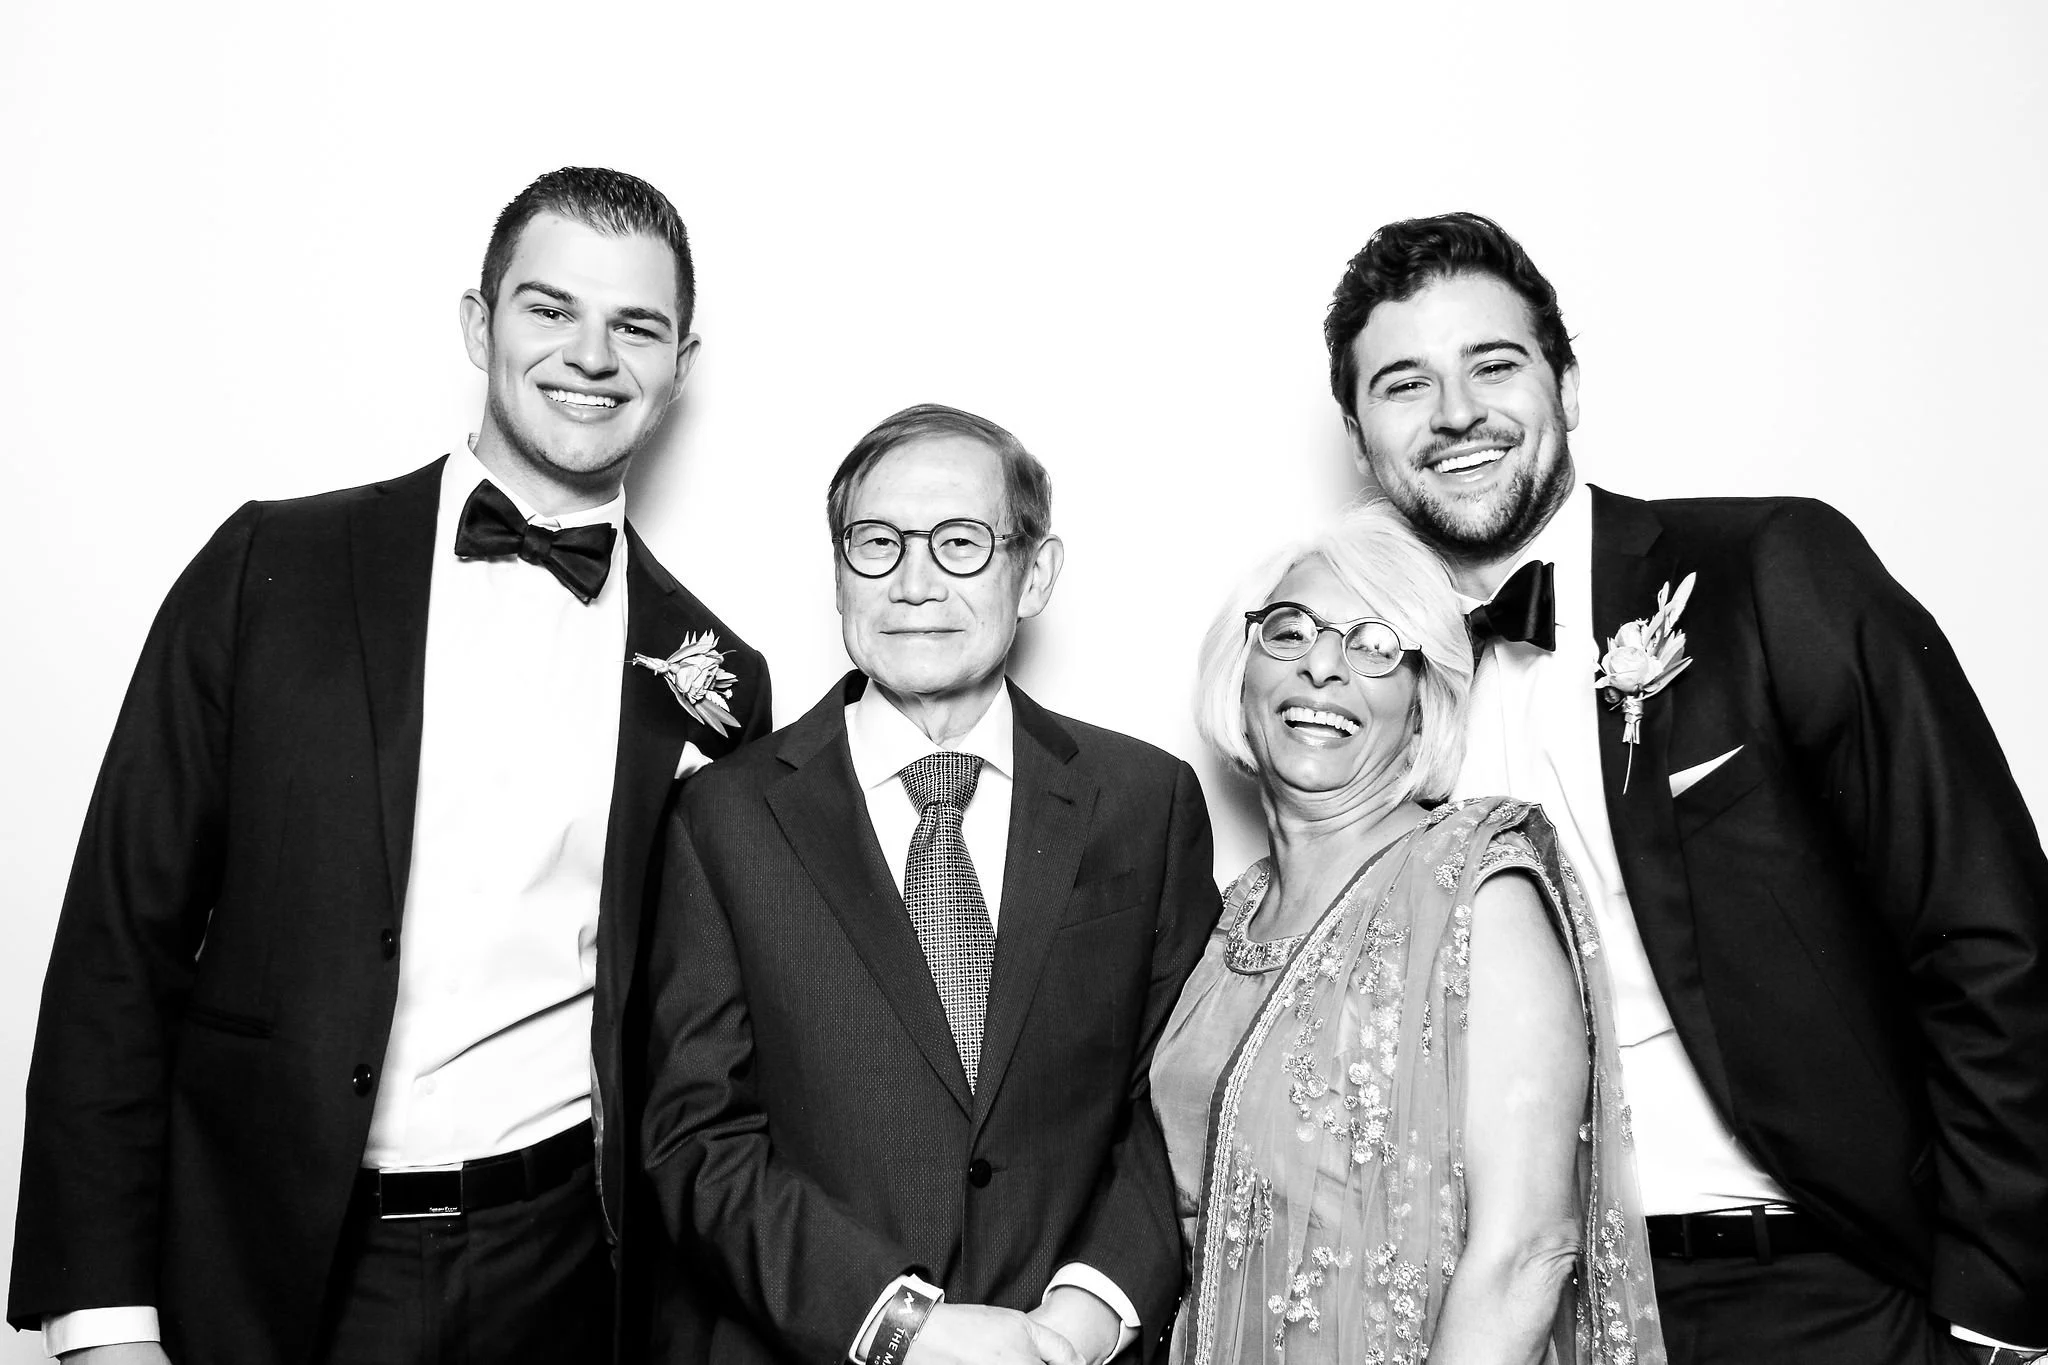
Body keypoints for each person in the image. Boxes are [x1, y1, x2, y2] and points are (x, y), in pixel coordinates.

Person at [8, 167, 772, 1365]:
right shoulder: (273, 566)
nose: (591, 354)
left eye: (635, 325)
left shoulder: (715, 670)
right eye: (548, 308)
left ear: (679, 363)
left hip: (563, 1278)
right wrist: (102, 1320)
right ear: (478, 323)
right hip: (261, 1266)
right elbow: (119, 945)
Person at [1322, 211, 2048, 1363]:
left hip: (1798, 1292)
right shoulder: (1350, 684)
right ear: (1360, 438)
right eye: (1403, 383)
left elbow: (1984, 932)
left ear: (1564, 386)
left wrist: (1994, 1314)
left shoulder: (1766, 572)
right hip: (1499, 1318)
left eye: (1492, 365)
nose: (1454, 412)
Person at [639, 403, 1220, 1365]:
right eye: (877, 543)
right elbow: (696, 1137)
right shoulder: (725, 817)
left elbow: (1176, 1100)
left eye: (959, 543)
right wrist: (909, 1328)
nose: (914, 583)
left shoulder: (1143, 802)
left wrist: (1079, 1320)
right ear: (837, 573)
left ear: (1034, 573)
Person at [1154, 502, 1662, 1364]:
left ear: (1425, 706)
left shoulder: (1476, 882)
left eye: (1375, 644)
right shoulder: (1229, 911)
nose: (1322, 667)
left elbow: (1529, 1249)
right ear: (1241, 673)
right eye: (1290, 631)